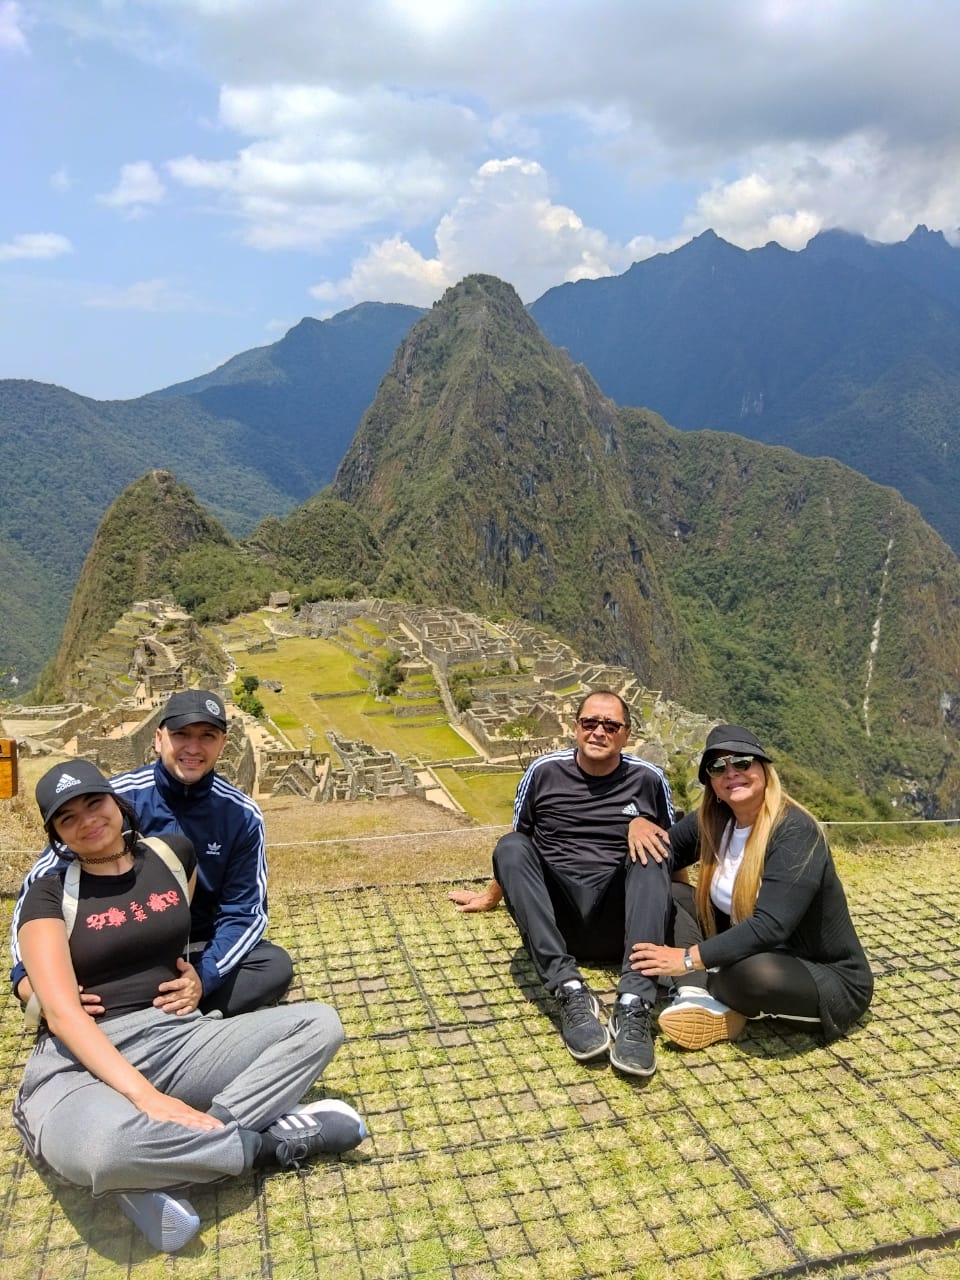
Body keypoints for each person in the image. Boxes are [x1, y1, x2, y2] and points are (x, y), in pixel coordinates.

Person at [13, 760, 366, 1253]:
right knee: (104, 1151)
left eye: (94, 803)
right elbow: (64, 1014)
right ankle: (265, 1144)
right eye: (67, 818)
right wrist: (146, 1098)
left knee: (318, 1024)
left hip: (178, 1035)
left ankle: (160, 1166)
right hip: (82, 1058)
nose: (87, 820)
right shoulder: (48, 895)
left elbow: (179, 938)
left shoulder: (173, 855)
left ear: (117, 803)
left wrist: (196, 981)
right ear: (57, 834)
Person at [10, 688, 292, 1018]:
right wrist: (25, 979)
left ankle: (144, 1014)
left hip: (195, 947)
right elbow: (35, 891)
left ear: (223, 744)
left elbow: (245, 912)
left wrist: (203, 977)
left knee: (272, 965)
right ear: (158, 739)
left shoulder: (240, 814)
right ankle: (167, 1017)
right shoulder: (114, 802)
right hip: (120, 944)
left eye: (207, 736)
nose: (193, 747)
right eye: (181, 734)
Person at [449, 691, 674, 1076]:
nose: (599, 732)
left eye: (611, 725)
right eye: (590, 723)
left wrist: (683, 913)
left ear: (626, 734)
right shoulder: (543, 772)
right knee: (511, 846)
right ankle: (569, 989)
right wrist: (491, 896)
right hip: (558, 922)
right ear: (576, 727)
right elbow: (518, 847)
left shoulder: (648, 779)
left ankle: (634, 1001)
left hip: (619, 925)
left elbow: (674, 858)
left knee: (654, 847)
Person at [628, 724, 874, 1050]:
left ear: (763, 770)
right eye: (718, 767)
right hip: (747, 950)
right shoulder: (714, 822)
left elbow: (771, 926)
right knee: (672, 895)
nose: (732, 772)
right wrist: (639, 824)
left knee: (751, 975)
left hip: (818, 973)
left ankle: (712, 991)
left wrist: (687, 959)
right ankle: (697, 994)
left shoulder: (795, 832)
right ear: (712, 785)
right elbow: (660, 855)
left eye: (742, 762)